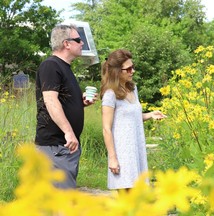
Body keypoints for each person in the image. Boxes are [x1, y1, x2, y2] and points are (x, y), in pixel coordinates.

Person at [35, 24, 97, 189]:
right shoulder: (51, 65)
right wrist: (69, 132)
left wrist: (79, 103)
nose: (82, 43)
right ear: (66, 43)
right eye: (78, 40)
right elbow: (50, 101)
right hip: (56, 146)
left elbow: (61, 102)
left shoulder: (65, 68)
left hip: (64, 147)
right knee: (61, 203)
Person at [100, 49, 166, 191]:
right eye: (128, 69)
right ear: (117, 71)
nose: (133, 71)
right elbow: (106, 128)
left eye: (133, 67)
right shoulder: (110, 95)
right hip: (122, 154)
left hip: (136, 150)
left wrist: (150, 115)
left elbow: (130, 119)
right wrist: (112, 158)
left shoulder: (132, 89)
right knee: (127, 200)